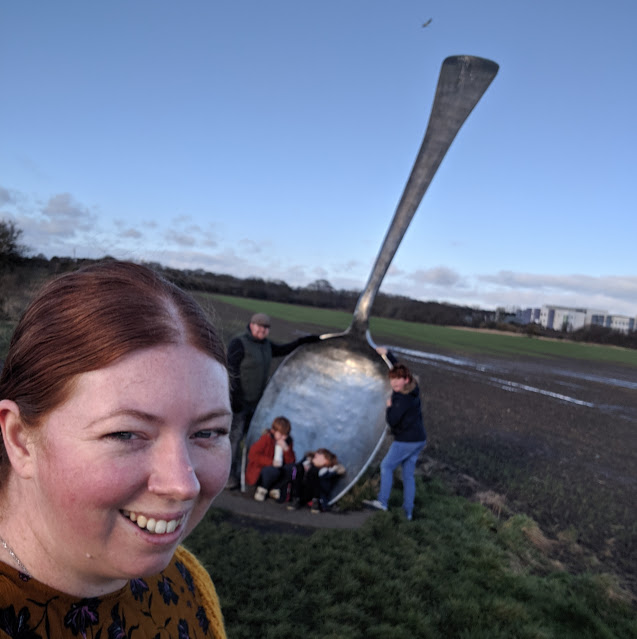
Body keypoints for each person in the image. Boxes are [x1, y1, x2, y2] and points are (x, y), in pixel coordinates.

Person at [0, 261, 230, 638]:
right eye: (125, 434)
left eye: (209, 432)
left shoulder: (185, 583)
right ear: (19, 439)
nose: (183, 485)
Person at [226, 313, 319, 488]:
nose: (262, 330)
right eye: (259, 326)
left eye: (265, 328)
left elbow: (283, 349)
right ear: (251, 325)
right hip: (239, 403)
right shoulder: (239, 343)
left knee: (253, 440)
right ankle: (228, 477)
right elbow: (230, 369)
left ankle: (247, 473)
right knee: (234, 440)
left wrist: (303, 341)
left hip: (256, 404)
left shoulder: (266, 345)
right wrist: (234, 396)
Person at [363, 348, 427, 521]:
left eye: (398, 381)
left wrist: (389, 406)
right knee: (407, 476)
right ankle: (408, 512)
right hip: (419, 439)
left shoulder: (400, 399)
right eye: (392, 380)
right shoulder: (413, 388)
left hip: (406, 440)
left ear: (406, 380)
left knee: (386, 466)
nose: (394, 384)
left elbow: (392, 421)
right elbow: (399, 368)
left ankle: (382, 502)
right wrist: (388, 354)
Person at [245, 416, 295, 502]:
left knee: (292, 469)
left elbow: (291, 461)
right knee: (272, 471)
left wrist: (286, 449)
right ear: (273, 431)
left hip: (279, 468)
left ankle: (275, 488)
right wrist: (271, 462)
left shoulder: (287, 442)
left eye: (285, 435)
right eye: (281, 434)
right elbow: (253, 455)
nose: (283, 437)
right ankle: (262, 488)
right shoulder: (266, 439)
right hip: (264, 469)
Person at [287, 448, 345, 513]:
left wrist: (333, 470)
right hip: (302, 491)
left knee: (313, 471)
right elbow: (295, 471)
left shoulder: (327, 472)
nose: (316, 454)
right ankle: (296, 498)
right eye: (317, 453)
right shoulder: (307, 464)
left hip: (315, 494)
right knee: (299, 468)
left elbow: (326, 487)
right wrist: (306, 461)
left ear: (326, 460)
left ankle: (315, 501)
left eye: (320, 454)